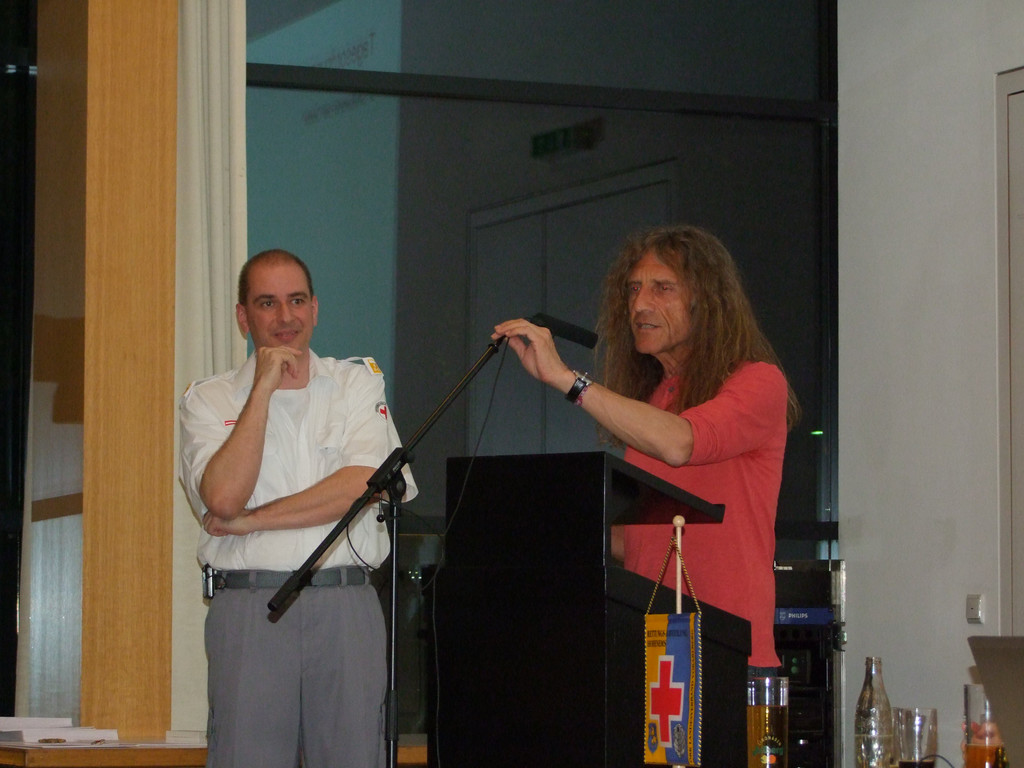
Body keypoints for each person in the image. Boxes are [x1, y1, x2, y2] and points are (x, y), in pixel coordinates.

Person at [492, 224, 799, 674]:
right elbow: (642, 540)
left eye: (662, 288)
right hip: (654, 649)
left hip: (728, 651)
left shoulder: (758, 381)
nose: (639, 304)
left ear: (706, 300)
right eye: (634, 289)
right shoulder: (656, 399)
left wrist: (566, 379)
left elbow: (681, 443)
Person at [179, 248, 417, 768]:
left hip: (346, 604)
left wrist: (251, 521)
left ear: (315, 309)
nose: (285, 316)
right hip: (251, 609)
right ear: (243, 317)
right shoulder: (209, 399)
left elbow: (363, 484)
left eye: (297, 300)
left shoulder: (356, 383)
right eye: (267, 303)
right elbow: (222, 497)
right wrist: (262, 388)